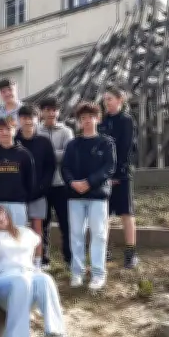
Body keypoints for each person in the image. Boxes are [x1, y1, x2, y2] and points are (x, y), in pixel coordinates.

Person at [0, 205, 71, 337]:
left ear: (6, 212)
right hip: (4, 279)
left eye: (0, 212)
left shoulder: (25, 232)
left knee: (45, 279)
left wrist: (36, 265)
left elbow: (38, 244)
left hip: (29, 274)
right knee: (21, 281)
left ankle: (59, 336)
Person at [62, 102, 116, 291]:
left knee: (99, 235)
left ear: (97, 118)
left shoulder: (106, 142)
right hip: (75, 195)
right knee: (76, 234)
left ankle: (98, 274)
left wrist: (89, 182)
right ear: (79, 121)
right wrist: (72, 183)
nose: (86, 121)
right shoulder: (73, 144)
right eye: (83, 118)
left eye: (90, 117)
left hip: (97, 195)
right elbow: (65, 168)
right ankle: (77, 272)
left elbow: (109, 168)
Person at [100, 86, 139, 269]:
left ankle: (130, 253)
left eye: (110, 98)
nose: (106, 102)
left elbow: (125, 148)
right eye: (105, 99)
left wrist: (116, 173)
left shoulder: (126, 120)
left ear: (119, 100)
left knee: (126, 213)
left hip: (122, 174)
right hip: (104, 175)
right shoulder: (102, 121)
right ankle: (104, 251)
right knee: (104, 215)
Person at [16, 105, 57, 269]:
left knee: (37, 229)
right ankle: (21, 262)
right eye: (24, 117)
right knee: (17, 229)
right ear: (19, 120)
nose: (27, 121)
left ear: (37, 119)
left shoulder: (44, 142)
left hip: (38, 193)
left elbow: (50, 168)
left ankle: (38, 262)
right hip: (16, 194)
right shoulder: (13, 141)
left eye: (30, 117)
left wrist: (41, 188)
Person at [37, 97, 74, 266]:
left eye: (54, 110)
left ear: (58, 112)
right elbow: (34, 156)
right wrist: (54, 154)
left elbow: (69, 155)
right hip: (42, 184)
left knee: (65, 222)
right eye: (47, 110)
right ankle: (44, 259)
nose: (51, 113)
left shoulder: (66, 131)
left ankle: (69, 258)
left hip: (61, 184)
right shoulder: (37, 131)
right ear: (41, 112)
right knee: (42, 223)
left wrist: (47, 155)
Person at [0, 117, 36, 227]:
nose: (4, 133)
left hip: (17, 203)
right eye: (1, 130)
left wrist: (23, 197)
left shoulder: (24, 155)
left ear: (15, 130)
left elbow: (30, 180)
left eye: (8, 129)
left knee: (18, 237)